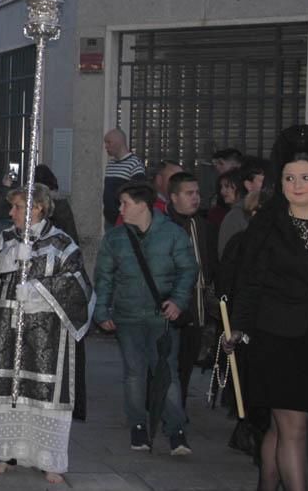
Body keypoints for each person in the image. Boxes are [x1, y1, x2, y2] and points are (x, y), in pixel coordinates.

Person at [226, 125, 308, 491]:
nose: (297, 184)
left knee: (285, 429)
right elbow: (249, 282)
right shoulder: (266, 226)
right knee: (294, 427)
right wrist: (237, 327)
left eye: (305, 177)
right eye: (289, 178)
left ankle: (267, 484)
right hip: (277, 337)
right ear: (279, 182)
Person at [0, 184, 93, 482]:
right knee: (6, 391)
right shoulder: (5, 238)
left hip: (45, 334)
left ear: (37, 207)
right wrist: (5, 260)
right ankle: (5, 453)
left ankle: (49, 459)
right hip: (5, 329)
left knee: (42, 394)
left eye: (18, 207)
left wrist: (38, 289)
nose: (11, 213)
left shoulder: (62, 243)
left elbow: (80, 287)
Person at [93, 180, 198, 455]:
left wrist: (177, 300)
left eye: (125, 203)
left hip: (161, 317)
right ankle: (138, 426)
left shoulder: (173, 235)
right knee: (134, 374)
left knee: (168, 374)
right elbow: (103, 277)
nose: (121, 208)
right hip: (127, 316)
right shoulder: (115, 238)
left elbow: (188, 270)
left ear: (142, 205)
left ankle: (176, 430)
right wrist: (102, 310)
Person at [165, 171, 218, 409]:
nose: (195, 198)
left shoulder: (203, 225)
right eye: (189, 193)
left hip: (197, 310)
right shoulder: (164, 226)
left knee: (186, 364)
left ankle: (179, 407)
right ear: (174, 197)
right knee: (168, 364)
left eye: (197, 193)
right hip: (173, 308)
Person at [218, 156, 268, 259]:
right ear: (249, 185)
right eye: (264, 181)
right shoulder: (236, 217)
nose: (270, 185)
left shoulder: (277, 211)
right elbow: (226, 259)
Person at [102, 129, 145, 230]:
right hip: (109, 220)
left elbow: (138, 194)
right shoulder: (111, 164)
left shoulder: (135, 164)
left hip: (124, 221)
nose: (106, 146)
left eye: (109, 142)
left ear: (119, 142)